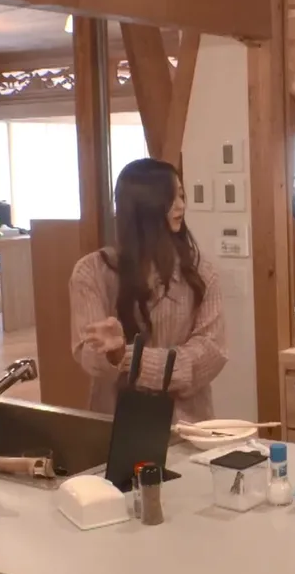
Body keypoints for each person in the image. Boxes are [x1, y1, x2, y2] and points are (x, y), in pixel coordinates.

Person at [69, 158, 227, 424]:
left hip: (187, 424)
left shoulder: (201, 273)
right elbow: (90, 355)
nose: (181, 206)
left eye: (181, 195)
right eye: (171, 197)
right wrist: (113, 355)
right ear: (143, 205)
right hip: (115, 423)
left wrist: (131, 359)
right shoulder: (91, 272)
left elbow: (210, 354)